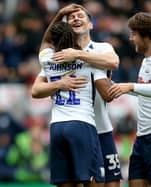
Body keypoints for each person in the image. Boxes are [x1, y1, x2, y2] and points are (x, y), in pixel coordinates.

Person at [35, 4, 122, 187]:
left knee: (112, 181)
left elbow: (114, 61)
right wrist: (60, 83)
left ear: (91, 24)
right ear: (67, 28)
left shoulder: (100, 48)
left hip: (100, 127)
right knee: (93, 179)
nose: (75, 18)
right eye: (71, 17)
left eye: (81, 15)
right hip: (84, 125)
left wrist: (78, 54)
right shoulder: (73, 59)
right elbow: (36, 90)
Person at [108, 12, 151, 187]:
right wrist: (118, 86)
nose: (131, 38)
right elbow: (145, 90)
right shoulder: (147, 61)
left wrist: (130, 86)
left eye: (134, 34)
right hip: (142, 138)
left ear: (146, 35)